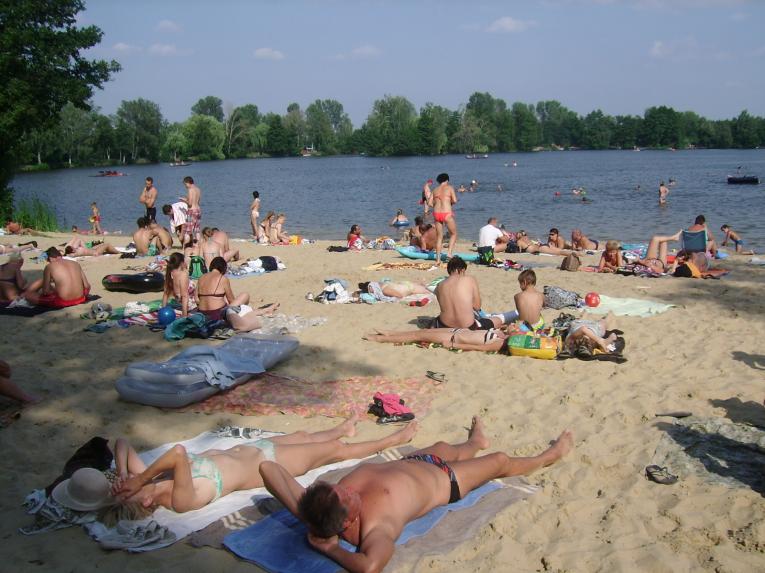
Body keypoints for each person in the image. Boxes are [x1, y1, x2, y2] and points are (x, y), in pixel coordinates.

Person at [260, 417, 573, 573]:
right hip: (446, 481)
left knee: (447, 448)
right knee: (500, 461)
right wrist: (330, 549)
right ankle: (548, 457)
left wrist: (305, 514)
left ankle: (475, 442)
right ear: (347, 521)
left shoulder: (321, 505)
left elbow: (268, 468)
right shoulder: (377, 526)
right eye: (347, 496)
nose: (346, 488)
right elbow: (369, 566)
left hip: (417, 461)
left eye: (338, 487)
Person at [111, 415, 417, 517]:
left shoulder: (150, 480)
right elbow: (178, 453)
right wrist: (140, 478)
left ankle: (341, 428)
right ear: (147, 502)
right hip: (270, 463)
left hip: (254, 449)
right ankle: (393, 438)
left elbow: (121, 443)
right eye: (129, 493)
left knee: (302, 436)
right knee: (337, 451)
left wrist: (126, 475)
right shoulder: (179, 499)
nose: (129, 487)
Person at [197, 257, 279, 331]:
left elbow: (197, 299)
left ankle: (264, 310)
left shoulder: (201, 278)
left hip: (202, 313)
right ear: (223, 268)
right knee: (245, 296)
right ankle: (264, 310)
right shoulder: (223, 279)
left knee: (225, 301)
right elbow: (231, 300)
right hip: (218, 314)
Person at [433, 257, 500, 330]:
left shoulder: (439, 285)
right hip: (467, 327)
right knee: (497, 320)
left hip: (444, 326)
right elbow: (477, 307)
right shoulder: (470, 279)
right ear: (462, 270)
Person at [21, 247, 90, 308]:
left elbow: (46, 292)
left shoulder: (50, 266)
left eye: (48, 261)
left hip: (64, 301)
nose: (49, 262)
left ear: (50, 258)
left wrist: (55, 291)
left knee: (28, 295)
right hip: (81, 298)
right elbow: (87, 286)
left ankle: (25, 294)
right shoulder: (76, 263)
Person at [428, 173, 458, 266]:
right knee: (453, 234)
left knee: (439, 237)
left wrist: (437, 204)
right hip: (446, 213)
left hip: (436, 214)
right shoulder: (450, 188)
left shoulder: (435, 189)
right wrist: (449, 203)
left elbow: (429, 203)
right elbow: (455, 200)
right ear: (447, 180)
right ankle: (449, 253)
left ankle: (438, 260)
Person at [162, 252, 196, 317]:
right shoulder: (183, 274)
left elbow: (166, 294)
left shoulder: (170, 273)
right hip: (190, 306)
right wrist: (184, 315)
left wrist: (163, 310)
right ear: (181, 263)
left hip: (179, 303)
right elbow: (184, 296)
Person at [181, 176, 202, 245]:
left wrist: (184, 200)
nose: (185, 186)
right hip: (198, 210)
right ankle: (199, 245)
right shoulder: (198, 189)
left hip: (192, 211)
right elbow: (197, 201)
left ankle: (184, 247)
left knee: (188, 230)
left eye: (185, 184)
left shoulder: (190, 190)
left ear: (188, 182)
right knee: (197, 230)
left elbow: (190, 204)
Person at [357, 280, 431, 299]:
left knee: (430, 291)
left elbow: (400, 295)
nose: (372, 293)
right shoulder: (381, 284)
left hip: (409, 288)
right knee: (428, 288)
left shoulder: (384, 290)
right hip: (405, 285)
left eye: (370, 291)